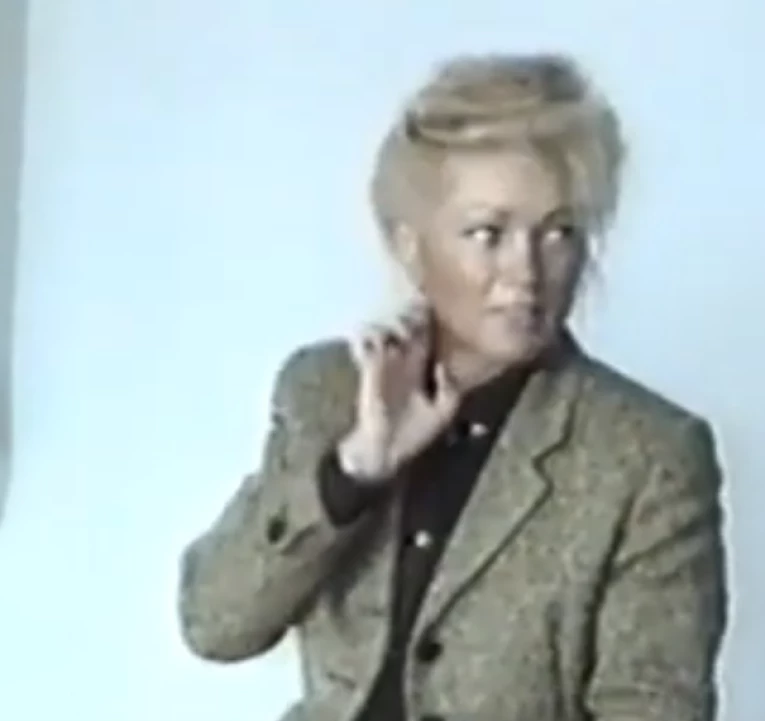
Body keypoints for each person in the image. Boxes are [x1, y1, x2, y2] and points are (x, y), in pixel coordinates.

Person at [177, 52, 728, 721]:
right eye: (488, 233)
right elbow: (215, 624)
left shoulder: (647, 453)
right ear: (408, 244)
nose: (526, 271)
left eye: (558, 232)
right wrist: (351, 473)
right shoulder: (326, 390)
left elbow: (653, 708)